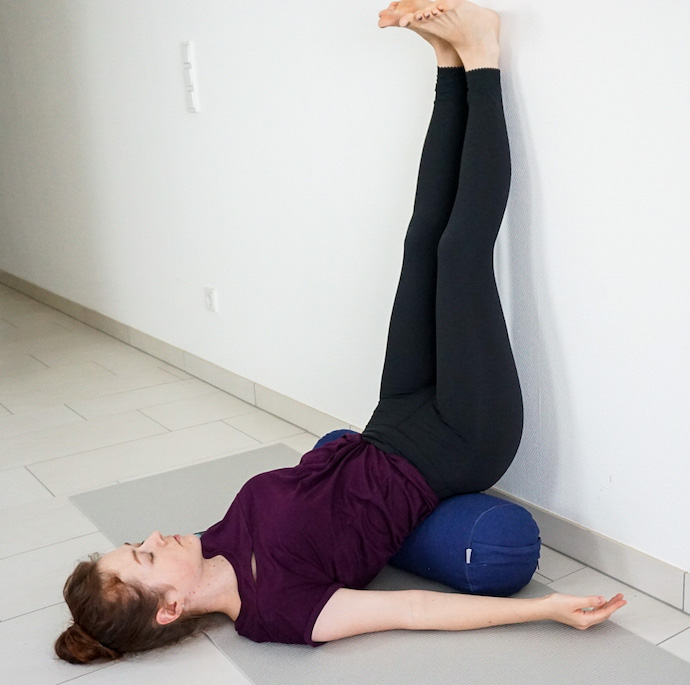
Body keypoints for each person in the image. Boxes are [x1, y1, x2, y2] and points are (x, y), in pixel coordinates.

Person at [54, 0, 627, 665]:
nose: (155, 534)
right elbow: (411, 610)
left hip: (391, 417)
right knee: (461, 253)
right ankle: (484, 53)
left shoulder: (211, 539)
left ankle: (446, 63)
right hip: (460, 440)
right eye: (146, 554)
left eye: (137, 540)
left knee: (419, 245)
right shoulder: (278, 611)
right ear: (170, 606)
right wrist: (546, 608)